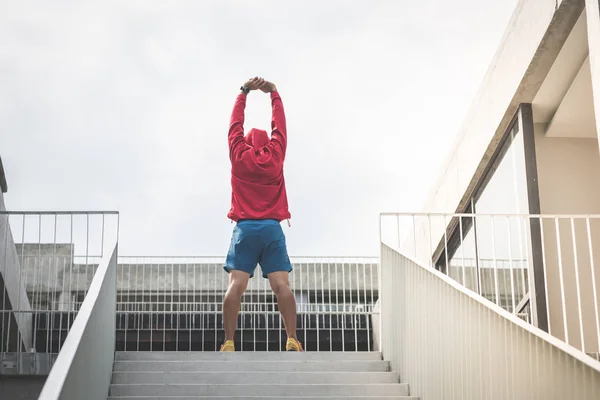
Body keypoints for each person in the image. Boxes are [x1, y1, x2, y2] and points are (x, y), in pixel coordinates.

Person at [220, 77, 302, 352]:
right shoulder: (275, 155)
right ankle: (291, 338)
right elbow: (280, 128)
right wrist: (274, 94)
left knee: (237, 285)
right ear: (267, 144)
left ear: (244, 142)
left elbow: (234, 125)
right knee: (281, 285)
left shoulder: (238, 154)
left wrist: (243, 92)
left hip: (244, 229)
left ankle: (229, 342)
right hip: (271, 229)